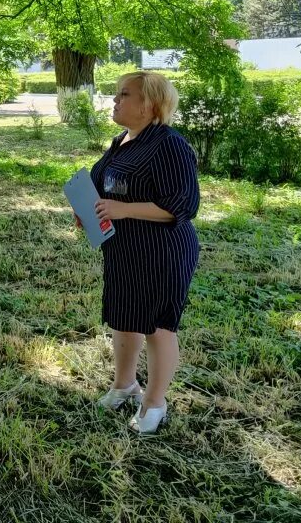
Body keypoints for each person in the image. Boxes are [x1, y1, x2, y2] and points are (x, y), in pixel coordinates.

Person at [87, 72, 200, 434]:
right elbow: (105, 186)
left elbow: (182, 205)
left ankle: (155, 402)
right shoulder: (122, 140)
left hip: (161, 252)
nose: (115, 100)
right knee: (125, 316)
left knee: (157, 326)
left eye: (124, 95)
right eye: (116, 94)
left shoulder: (168, 144)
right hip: (123, 248)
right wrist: (90, 211)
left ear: (149, 104)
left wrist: (123, 209)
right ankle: (124, 385)